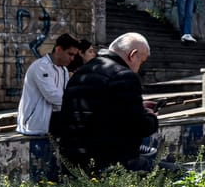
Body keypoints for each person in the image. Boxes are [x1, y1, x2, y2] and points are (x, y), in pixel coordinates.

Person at [55, 33, 160, 173]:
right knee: (182, 174)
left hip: (73, 164)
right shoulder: (124, 75)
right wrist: (151, 117)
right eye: (141, 61)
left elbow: (104, 113)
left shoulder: (81, 72)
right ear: (133, 55)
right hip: (111, 164)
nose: (139, 68)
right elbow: (137, 128)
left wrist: (137, 108)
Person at [18, 34, 83, 137]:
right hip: (35, 122)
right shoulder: (41, 67)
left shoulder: (64, 70)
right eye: (70, 54)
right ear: (58, 49)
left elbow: (65, 95)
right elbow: (53, 96)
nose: (72, 59)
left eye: (74, 55)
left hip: (54, 118)